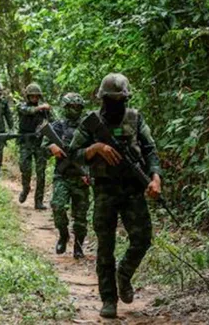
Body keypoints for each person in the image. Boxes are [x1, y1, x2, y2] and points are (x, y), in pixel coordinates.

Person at [68, 73, 163, 319]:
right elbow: (73, 154)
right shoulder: (92, 122)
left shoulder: (135, 118)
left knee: (142, 239)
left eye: (119, 99)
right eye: (110, 99)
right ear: (102, 99)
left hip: (132, 189)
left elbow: (150, 149)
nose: (115, 103)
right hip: (104, 190)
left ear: (126, 98)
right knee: (105, 247)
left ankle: (124, 274)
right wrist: (96, 148)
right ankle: (108, 299)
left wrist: (155, 178)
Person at [46, 92, 90, 258]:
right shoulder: (58, 126)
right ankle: (63, 235)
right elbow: (44, 144)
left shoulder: (88, 127)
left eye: (77, 107)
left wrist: (89, 173)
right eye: (71, 107)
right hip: (62, 175)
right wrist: (52, 147)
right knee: (58, 206)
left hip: (81, 176)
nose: (74, 110)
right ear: (65, 108)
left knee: (80, 216)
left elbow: (95, 152)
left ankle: (78, 246)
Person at [17, 82, 52, 210]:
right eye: (32, 96)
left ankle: (39, 201)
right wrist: (41, 107)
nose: (35, 99)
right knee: (25, 168)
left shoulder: (44, 110)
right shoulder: (22, 106)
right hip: (26, 142)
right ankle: (25, 189)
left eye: (37, 97)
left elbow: (53, 123)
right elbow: (27, 111)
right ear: (28, 97)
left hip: (39, 143)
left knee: (41, 173)